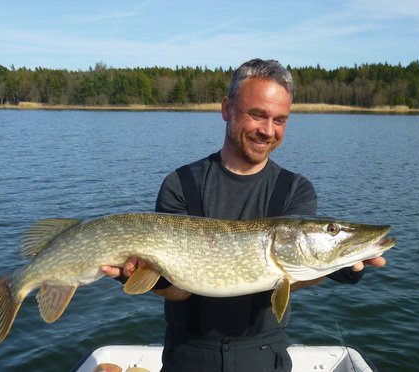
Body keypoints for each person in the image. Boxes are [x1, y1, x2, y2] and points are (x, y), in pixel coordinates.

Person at [102, 58, 386, 372]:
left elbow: (293, 269)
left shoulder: (294, 189)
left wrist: (338, 265)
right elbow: (179, 290)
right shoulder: (181, 184)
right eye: (257, 115)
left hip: (263, 353)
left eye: (280, 120)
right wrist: (144, 277)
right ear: (227, 109)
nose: (268, 130)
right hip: (189, 353)